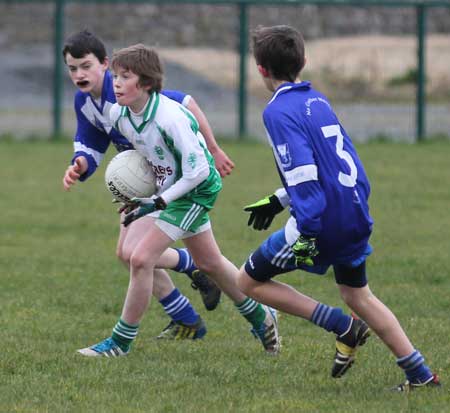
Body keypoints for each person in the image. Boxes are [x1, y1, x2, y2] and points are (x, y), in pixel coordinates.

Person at [236, 25, 440, 391]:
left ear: (261, 69)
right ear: (303, 61)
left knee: (247, 281)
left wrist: (307, 233)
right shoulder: (317, 99)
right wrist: (277, 200)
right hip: (354, 210)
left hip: (320, 221)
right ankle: (420, 374)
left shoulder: (277, 112)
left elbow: (305, 177)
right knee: (357, 294)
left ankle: (340, 324)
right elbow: (333, 166)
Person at [76, 43, 280, 357]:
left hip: (196, 190)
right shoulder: (119, 114)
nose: (115, 83)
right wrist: (137, 192)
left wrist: (158, 200)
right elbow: (145, 156)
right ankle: (260, 316)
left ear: (145, 83)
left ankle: (120, 343)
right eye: (115, 76)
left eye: (124, 77)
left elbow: (198, 171)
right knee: (209, 262)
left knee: (141, 259)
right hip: (170, 188)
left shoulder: (169, 117)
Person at [62, 30, 231, 340]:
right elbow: (91, 137)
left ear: (105, 64)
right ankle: (187, 313)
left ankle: (192, 282)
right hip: (138, 178)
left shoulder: (126, 89)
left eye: (86, 66)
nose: (79, 74)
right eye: (72, 68)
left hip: (163, 175)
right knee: (129, 255)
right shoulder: (85, 101)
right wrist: (81, 163)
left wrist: (215, 148)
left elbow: (186, 103)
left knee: (135, 255)